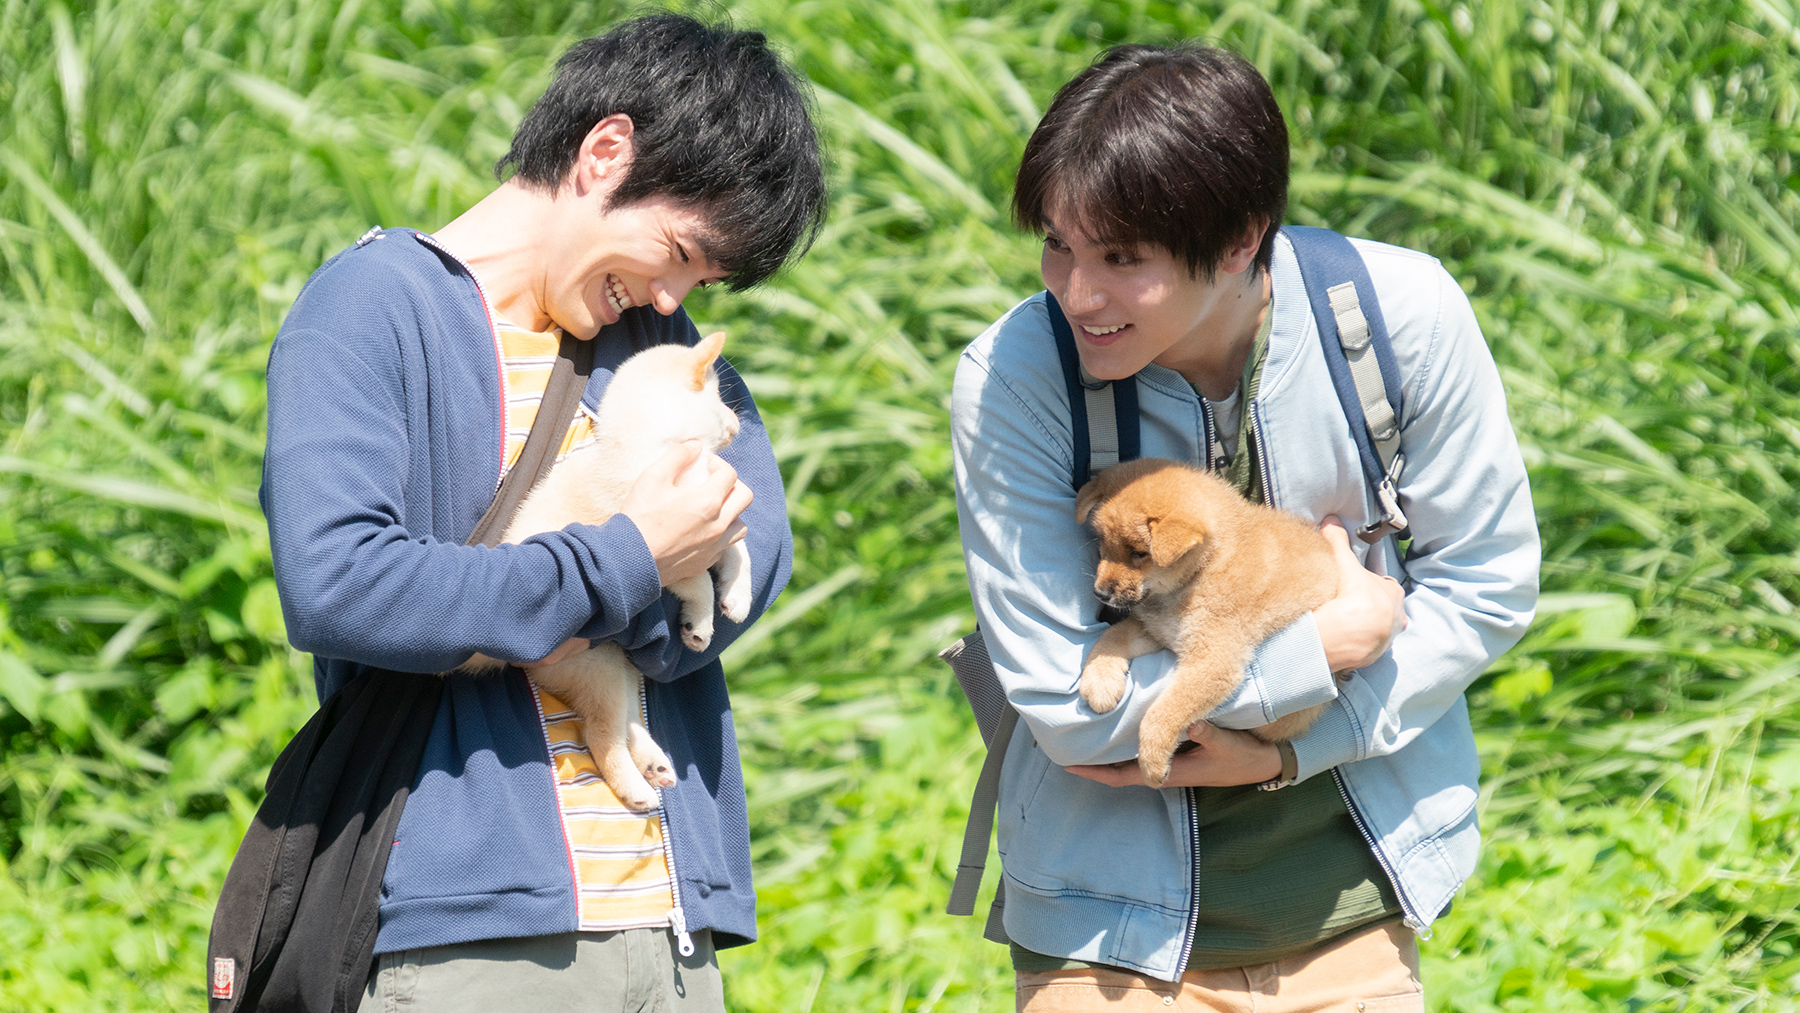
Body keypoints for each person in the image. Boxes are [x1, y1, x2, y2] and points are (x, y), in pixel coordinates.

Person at [951, 44, 1540, 1011]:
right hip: (1102, 938)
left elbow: (1488, 580)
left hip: (1349, 915)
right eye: (1058, 244)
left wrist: (1297, 746)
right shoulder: (1017, 376)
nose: (1075, 291)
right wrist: (1317, 654)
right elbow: (1063, 699)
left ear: (1238, 242)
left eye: (1122, 258)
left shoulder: (1402, 320)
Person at [259, 15, 826, 1011]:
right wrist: (623, 562)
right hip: (471, 936)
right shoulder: (372, 304)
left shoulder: (655, 339)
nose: (671, 292)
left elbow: (754, 544)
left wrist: (620, 587)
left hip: (670, 927)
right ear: (605, 151)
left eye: (703, 281)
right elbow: (341, 582)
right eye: (681, 252)